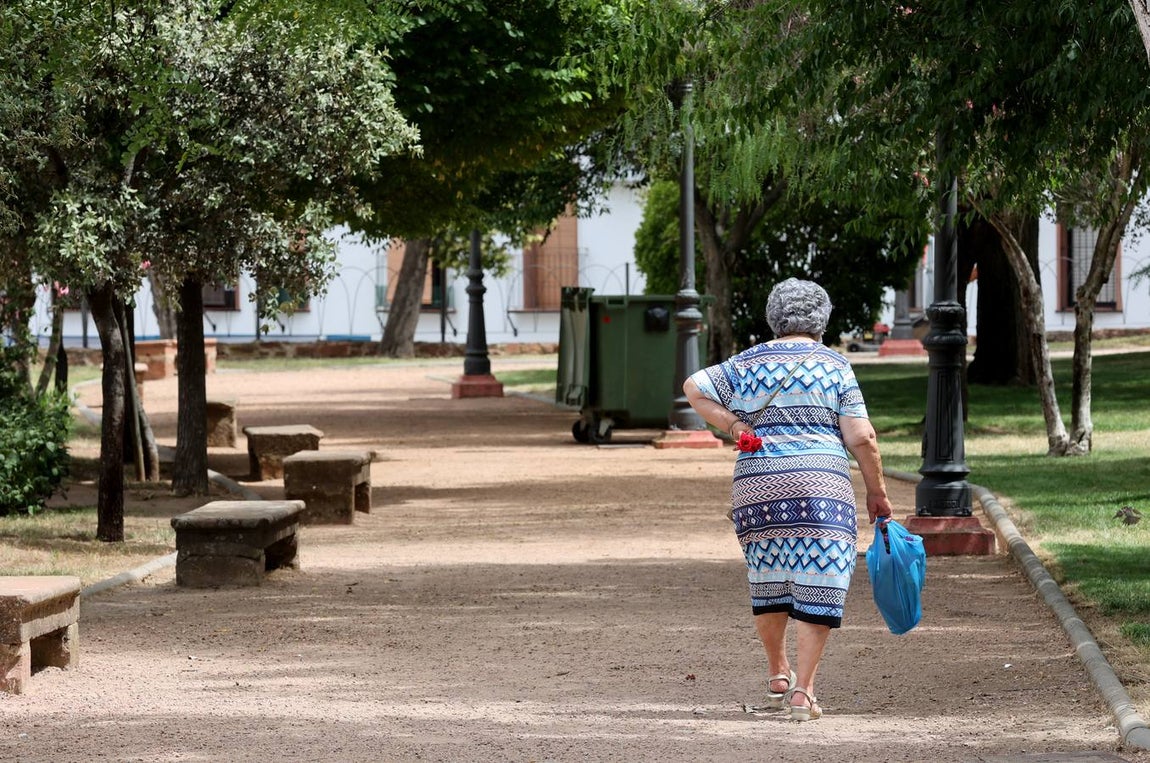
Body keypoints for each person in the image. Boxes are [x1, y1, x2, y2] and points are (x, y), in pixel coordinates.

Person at [683, 277, 893, 722]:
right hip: (821, 487)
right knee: (821, 582)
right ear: (822, 319)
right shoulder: (835, 366)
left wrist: (735, 428)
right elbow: (862, 436)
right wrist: (878, 493)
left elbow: (693, 386)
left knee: (769, 577)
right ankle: (804, 692)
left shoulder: (747, 362)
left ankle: (779, 673)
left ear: (773, 318)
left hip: (757, 488)